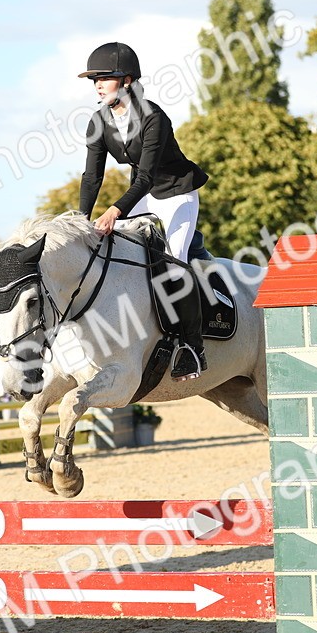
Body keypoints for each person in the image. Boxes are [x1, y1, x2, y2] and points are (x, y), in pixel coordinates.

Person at [77, 42, 209, 380]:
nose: (98, 84)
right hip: (144, 194)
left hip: (176, 193)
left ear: (127, 80)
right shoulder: (98, 121)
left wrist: (115, 210)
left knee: (174, 262)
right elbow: (93, 176)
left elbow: (148, 176)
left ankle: (193, 348)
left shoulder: (153, 117)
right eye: (95, 80)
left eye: (104, 77)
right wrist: (80, 219)